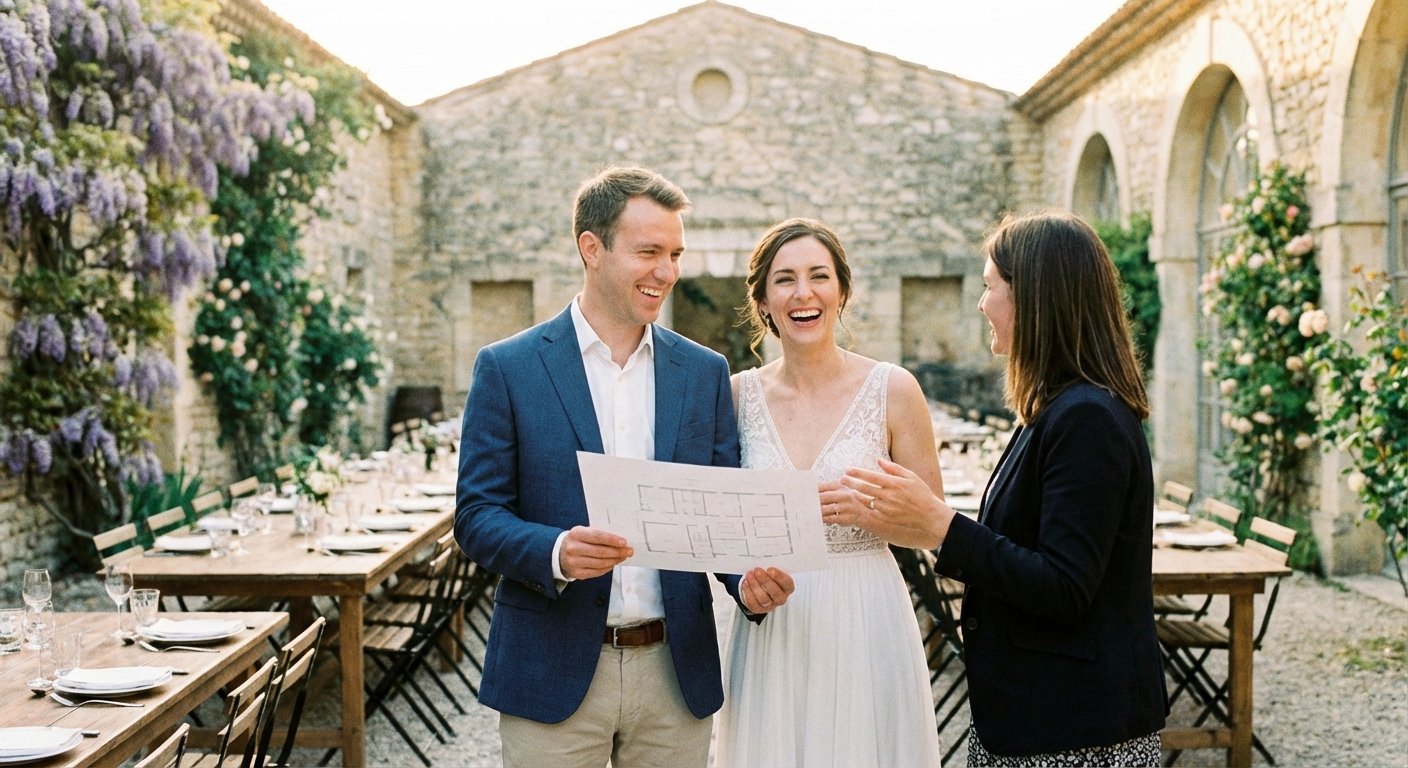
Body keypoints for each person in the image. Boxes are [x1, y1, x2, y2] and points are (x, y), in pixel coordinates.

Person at [454, 166, 795, 768]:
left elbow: (717, 515)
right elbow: (477, 516)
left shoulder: (704, 372)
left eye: (674, 253)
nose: (666, 271)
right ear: (592, 248)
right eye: (648, 252)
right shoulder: (508, 367)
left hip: (674, 672)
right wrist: (555, 550)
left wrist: (746, 580)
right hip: (549, 667)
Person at [831, 210, 1167, 765]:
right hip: (1033, 715)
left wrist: (941, 526)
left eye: (990, 287)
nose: (982, 304)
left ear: (1037, 298)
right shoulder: (1055, 407)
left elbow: (1065, 586)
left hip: (1076, 731)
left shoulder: (1088, 418)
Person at [713, 218, 943, 767]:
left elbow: (936, 528)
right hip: (775, 621)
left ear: (841, 291)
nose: (803, 293)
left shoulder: (893, 388)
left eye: (819, 276)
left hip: (866, 612)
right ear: (764, 300)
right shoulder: (735, 396)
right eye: (785, 279)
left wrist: (874, 513)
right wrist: (747, 576)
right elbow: (718, 525)